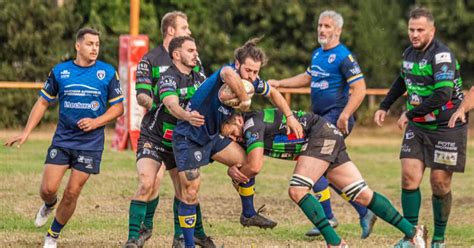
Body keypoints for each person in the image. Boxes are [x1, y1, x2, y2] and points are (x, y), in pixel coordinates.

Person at [222, 108, 427, 247]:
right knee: (362, 195)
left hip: (319, 136)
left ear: (238, 120)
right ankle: (413, 233)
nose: (233, 139)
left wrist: (234, 172)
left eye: (231, 132)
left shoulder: (250, 125)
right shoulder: (250, 126)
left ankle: (335, 243)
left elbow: (255, 166)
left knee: (297, 190)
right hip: (327, 134)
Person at [172, 38, 304, 247]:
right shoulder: (227, 72)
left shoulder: (251, 80)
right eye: (248, 70)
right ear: (237, 64)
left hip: (213, 137)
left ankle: (248, 213)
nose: (252, 76)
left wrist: (289, 116)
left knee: (248, 162)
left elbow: (273, 93)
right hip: (190, 137)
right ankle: (188, 244)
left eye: (255, 72)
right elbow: (227, 75)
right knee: (191, 190)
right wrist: (244, 99)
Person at [4, 27, 124, 248]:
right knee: (47, 189)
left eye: (97, 44)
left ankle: (52, 235)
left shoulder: (107, 73)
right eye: (89, 44)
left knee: (72, 191)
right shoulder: (61, 71)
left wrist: (96, 122)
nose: (94, 48)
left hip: (90, 144)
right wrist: (26, 132)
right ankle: (49, 204)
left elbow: (118, 108)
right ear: (77, 46)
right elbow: (42, 102)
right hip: (63, 140)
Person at [268, 10, 375, 238]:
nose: (322, 30)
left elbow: (360, 89)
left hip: (334, 119)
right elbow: (307, 77)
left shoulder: (344, 56)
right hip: (320, 121)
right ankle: (363, 211)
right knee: (329, 170)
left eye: (327, 26)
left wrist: (346, 114)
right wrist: (280, 82)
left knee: (311, 163)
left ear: (338, 30)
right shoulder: (318, 54)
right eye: (320, 25)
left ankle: (328, 217)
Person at [374, 7, 466, 248]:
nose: (414, 34)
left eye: (420, 30)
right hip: (419, 126)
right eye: (411, 29)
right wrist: (384, 105)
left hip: (447, 126)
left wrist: (408, 113)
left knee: (439, 183)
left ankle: (438, 238)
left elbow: (443, 94)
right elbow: (401, 80)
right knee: (408, 178)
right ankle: (412, 236)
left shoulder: (442, 55)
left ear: (432, 31)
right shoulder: (408, 53)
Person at [129, 11, 213, 247]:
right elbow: (143, 94)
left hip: (184, 134)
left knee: (186, 186)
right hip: (157, 132)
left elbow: (204, 92)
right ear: (171, 31)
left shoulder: (193, 60)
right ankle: (142, 230)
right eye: (185, 27)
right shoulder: (151, 59)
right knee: (150, 182)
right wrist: (158, 101)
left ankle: (182, 236)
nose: (189, 32)